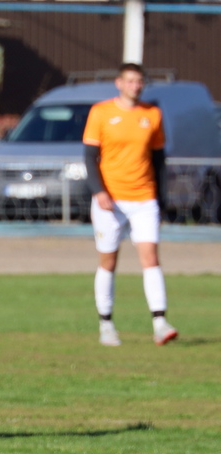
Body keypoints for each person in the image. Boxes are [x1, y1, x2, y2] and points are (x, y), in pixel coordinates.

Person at [83, 63, 178, 347]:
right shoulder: (101, 112)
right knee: (108, 262)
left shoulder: (152, 114)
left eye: (139, 81)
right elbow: (89, 157)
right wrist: (99, 191)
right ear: (119, 83)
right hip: (110, 200)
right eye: (130, 81)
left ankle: (160, 323)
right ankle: (106, 324)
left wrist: (161, 198)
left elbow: (159, 161)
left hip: (144, 198)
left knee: (151, 258)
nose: (135, 86)